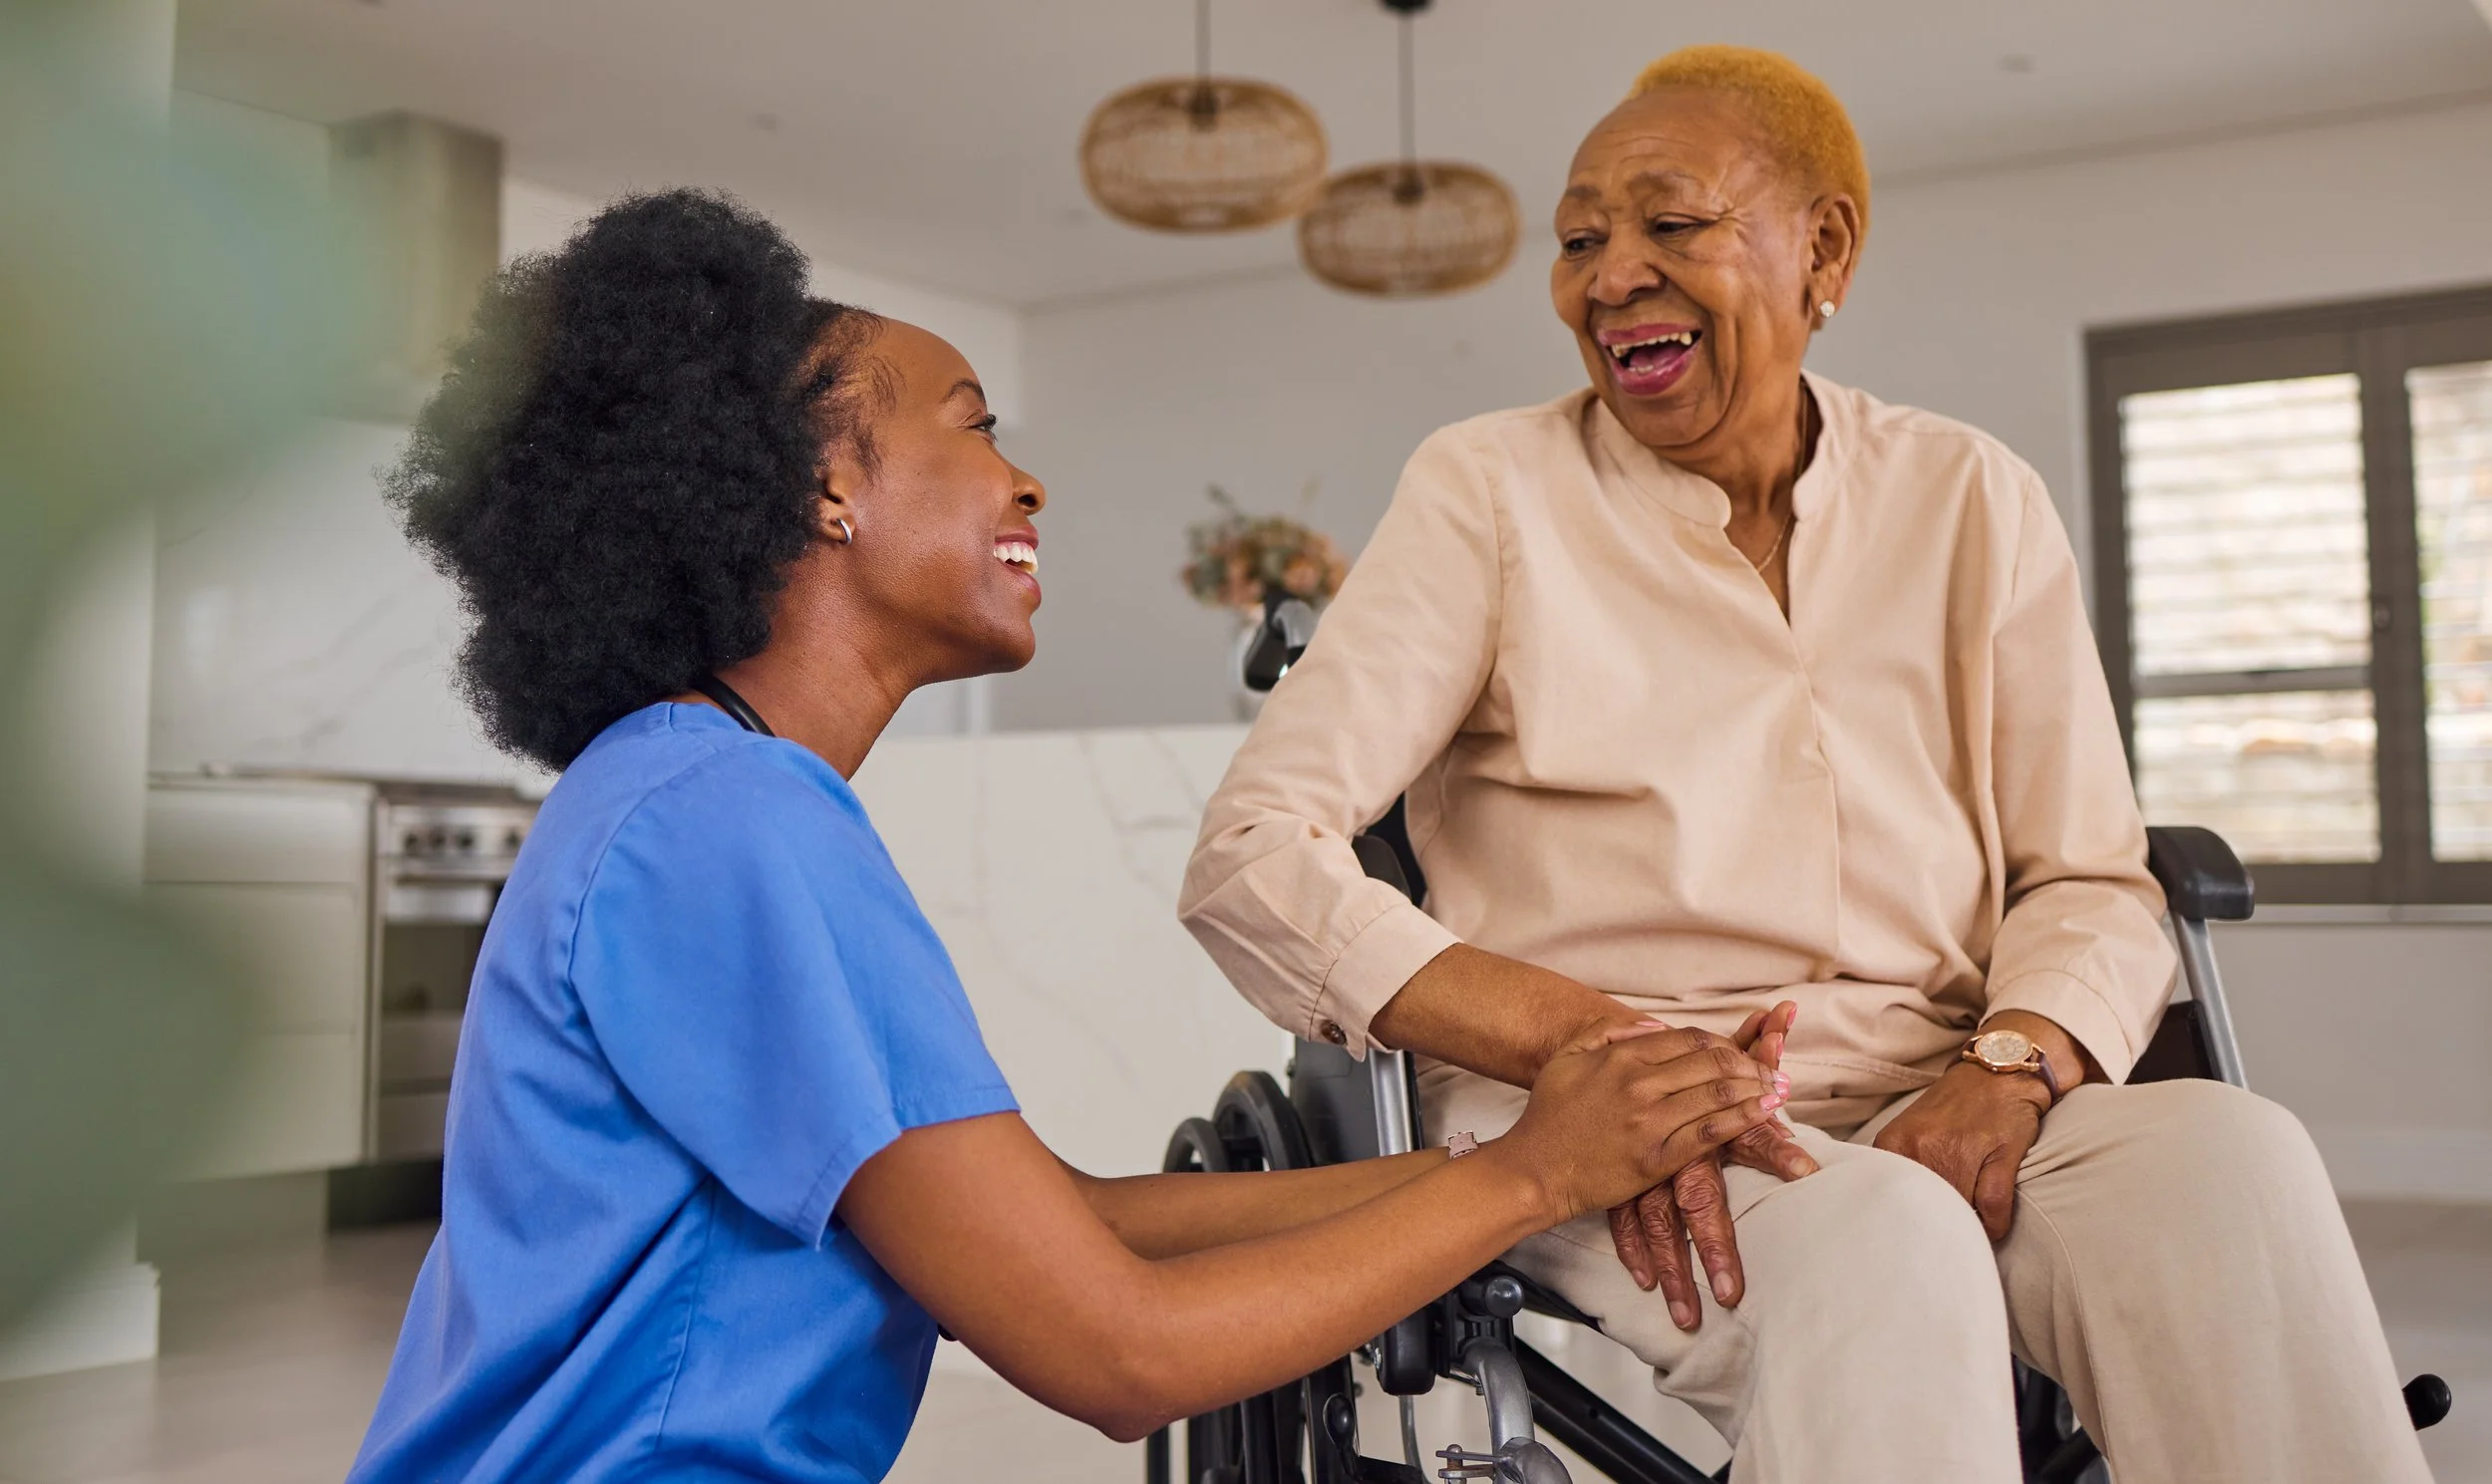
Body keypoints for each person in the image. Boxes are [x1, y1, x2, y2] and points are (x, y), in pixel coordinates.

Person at [341, 189, 1797, 1484]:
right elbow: (1118, 1355)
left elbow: (1070, 1221)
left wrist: (1542, 1155)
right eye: (973, 423)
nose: (1025, 482)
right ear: (821, 487)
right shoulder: (729, 825)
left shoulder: (697, 792)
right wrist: (1530, 1178)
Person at [1179, 45, 2432, 1483]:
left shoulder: (1971, 497)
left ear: (1821, 250)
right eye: (1581, 239)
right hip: (1608, 1133)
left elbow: (2088, 870)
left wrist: (2015, 1067)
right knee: (1886, 1240)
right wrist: (1594, 1054)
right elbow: (1253, 852)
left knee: (2232, 1160)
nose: (1610, 275)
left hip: (1946, 1088)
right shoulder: (1490, 491)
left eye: (1671, 222)